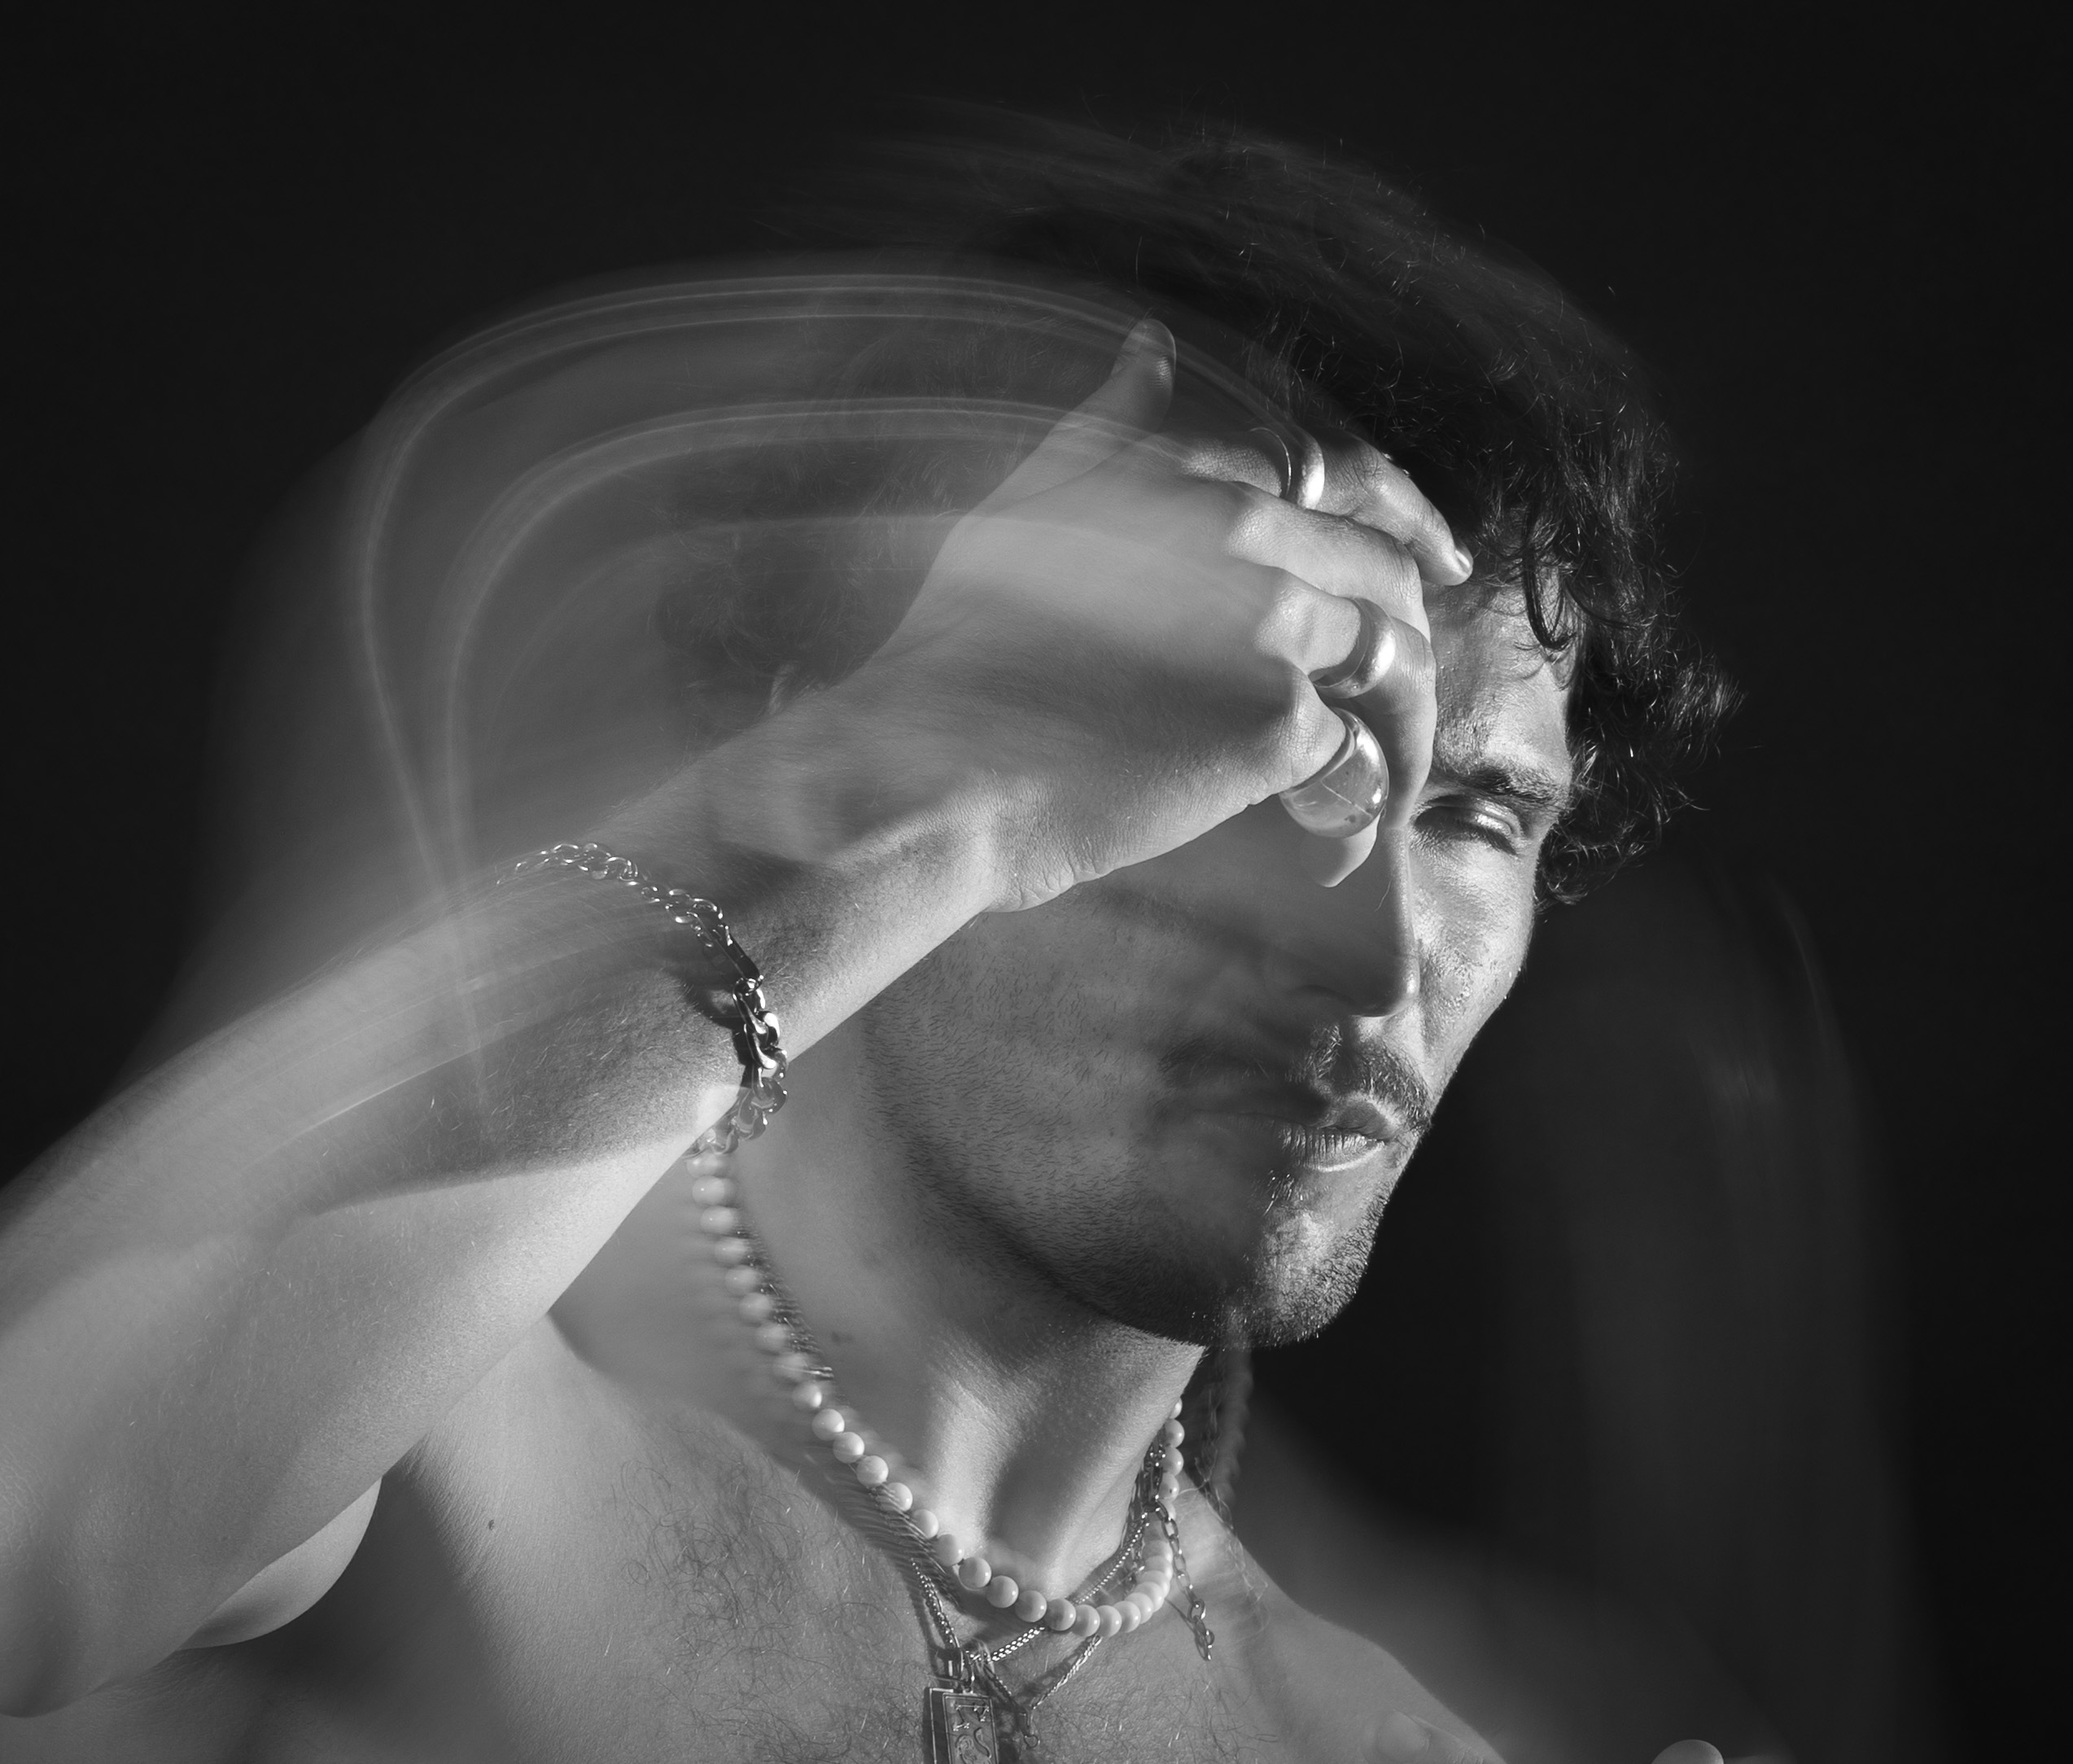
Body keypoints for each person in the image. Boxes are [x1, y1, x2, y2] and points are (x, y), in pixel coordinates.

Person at [0, 124, 1730, 1762]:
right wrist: (907, 783)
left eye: (1477, 820)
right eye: (1257, 764)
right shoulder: (387, 1445)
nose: (1377, 966)